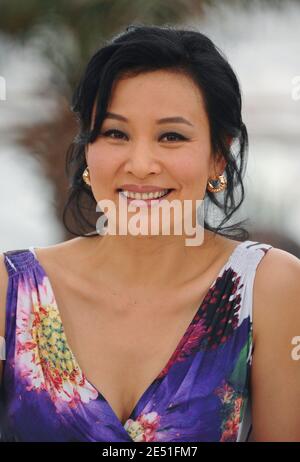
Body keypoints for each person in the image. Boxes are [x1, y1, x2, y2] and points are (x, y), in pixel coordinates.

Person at [0, 24, 299, 443]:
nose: (140, 164)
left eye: (171, 136)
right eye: (115, 133)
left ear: (218, 155)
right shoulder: (9, 289)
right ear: (88, 148)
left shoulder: (270, 288)